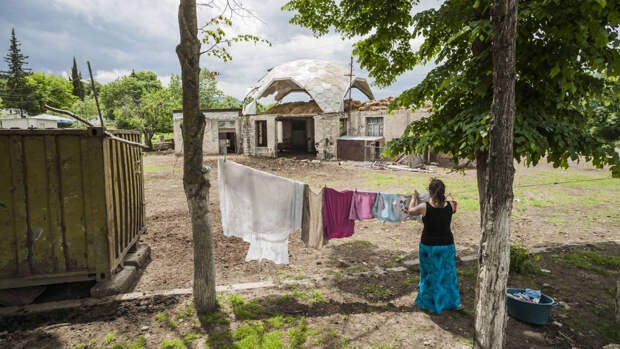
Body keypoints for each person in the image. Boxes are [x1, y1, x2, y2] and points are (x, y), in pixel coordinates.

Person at [407, 178, 461, 314]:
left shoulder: (425, 207)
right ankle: (452, 302)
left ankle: (432, 302)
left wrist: (414, 198)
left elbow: (410, 211)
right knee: (448, 274)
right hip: (448, 245)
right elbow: (453, 206)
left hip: (429, 247)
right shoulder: (449, 205)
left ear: (430, 192)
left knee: (430, 274)